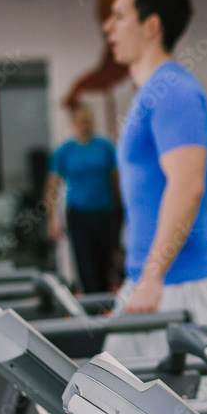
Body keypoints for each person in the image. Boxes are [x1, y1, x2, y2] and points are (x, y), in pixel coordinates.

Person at [101, 0, 207, 397]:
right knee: (105, 409)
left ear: (151, 26)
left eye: (119, 16)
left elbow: (188, 185)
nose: (108, 27)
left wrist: (153, 276)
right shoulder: (151, 92)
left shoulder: (173, 91)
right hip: (149, 283)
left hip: (179, 286)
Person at [44, 102, 122, 293]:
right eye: (80, 122)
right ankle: (91, 308)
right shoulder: (64, 151)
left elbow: (117, 182)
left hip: (105, 213)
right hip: (79, 215)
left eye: (87, 121)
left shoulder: (105, 147)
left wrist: (124, 211)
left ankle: (107, 308)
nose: (84, 125)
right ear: (73, 123)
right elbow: (51, 187)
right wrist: (52, 221)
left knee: (107, 265)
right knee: (87, 266)